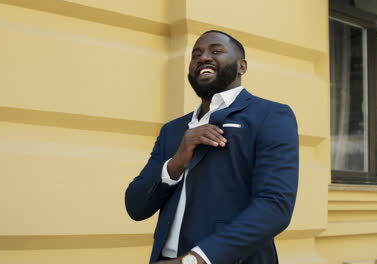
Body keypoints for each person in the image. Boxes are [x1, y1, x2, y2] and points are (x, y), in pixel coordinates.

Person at [125, 30, 299, 264]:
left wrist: (195, 260)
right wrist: (177, 162)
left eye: (216, 51)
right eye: (196, 54)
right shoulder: (173, 130)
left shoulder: (271, 116)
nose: (203, 58)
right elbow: (136, 207)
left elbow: (275, 207)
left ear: (242, 66)